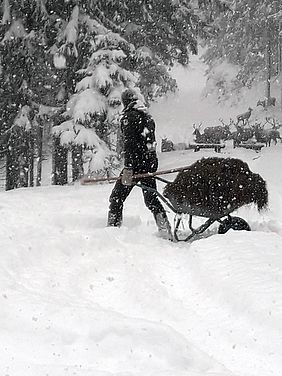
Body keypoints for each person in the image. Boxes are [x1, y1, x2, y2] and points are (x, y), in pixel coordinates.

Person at [107, 88, 172, 240]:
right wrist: (150, 164)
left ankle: (112, 232)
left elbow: (130, 143)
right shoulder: (147, 117)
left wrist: (129, 167)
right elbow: (150, 142)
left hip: (134, 165)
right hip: (148, 163)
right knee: (151, 199)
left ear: (125, 102)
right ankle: (165, 230)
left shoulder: (129, 117)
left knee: (116, 197)